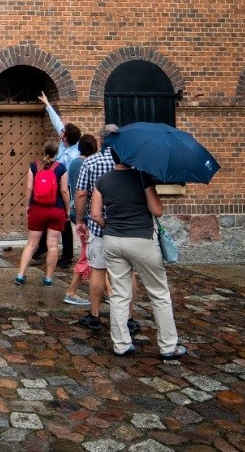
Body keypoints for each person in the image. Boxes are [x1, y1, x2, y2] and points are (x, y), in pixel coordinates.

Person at [92, 148, 187, 359]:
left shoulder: (102, 181)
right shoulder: (142, 176)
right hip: (141, 239)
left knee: (119, 294)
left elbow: (96, 214)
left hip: (113, 240)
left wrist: (111, 226)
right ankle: (168, 346)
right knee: (159, 293)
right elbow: (157, 211)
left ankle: (121, 344)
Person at [75, 124, 139, 334]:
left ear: (101, 141)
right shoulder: (132, 163)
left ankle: (94, 315)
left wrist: (80, 220)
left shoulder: (91, 162)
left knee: (98, 270)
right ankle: (128, 318)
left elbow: (82, 194)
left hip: (99, 227)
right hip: (127, 227)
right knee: (128, 274)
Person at [14, 140, 70, 286]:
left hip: (37, 209)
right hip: (56, 209)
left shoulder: (34, 166)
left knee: (31, 244)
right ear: (56, 152)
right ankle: (48, 279)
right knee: (52, 245)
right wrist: (68, 209)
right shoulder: (61, 168)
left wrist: (27, 206)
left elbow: (28, 188)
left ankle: (20, 275)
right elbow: (64, 190)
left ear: (43, 150)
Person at [38, 91, 81, 268]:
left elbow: (70, 178)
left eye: (62, 135)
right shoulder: (66, 142)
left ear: (67, 139)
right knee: (45, 215)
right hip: (53, 186)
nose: (59, 134)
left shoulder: (74, 155)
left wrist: (69, 200)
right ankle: (42, 246)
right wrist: (48, 104)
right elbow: (57, 122)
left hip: (66, 189)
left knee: (64, 220)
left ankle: (67, 255)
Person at [64, 135, 98, 306]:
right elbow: (83, 193)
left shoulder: (74, 163)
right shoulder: (90, 164)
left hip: (73, 209)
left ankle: (104, 289)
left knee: (93, 252)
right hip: (85, 213)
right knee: (88, 253)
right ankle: (71, 291)